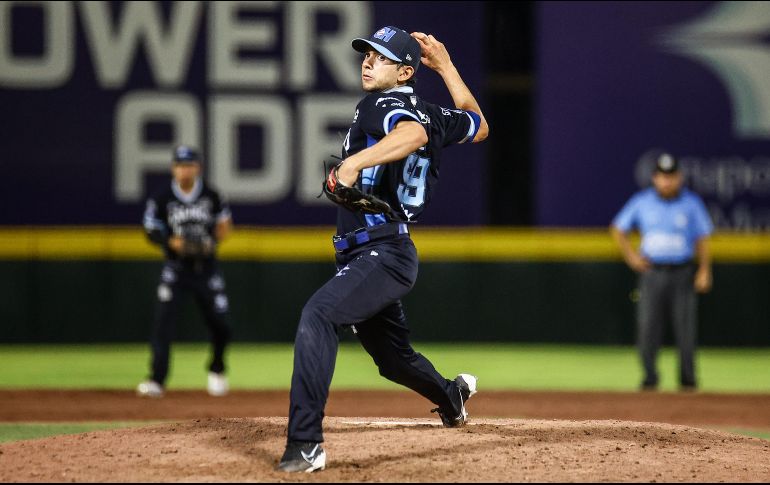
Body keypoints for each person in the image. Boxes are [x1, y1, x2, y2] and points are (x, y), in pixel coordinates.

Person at [276, 26, 489, 473]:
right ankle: (452, 396)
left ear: (406, 71)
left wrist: (352, 162)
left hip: (382, 249)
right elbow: (479, 125)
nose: (368, 62)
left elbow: (410, 135)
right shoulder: (434, 112)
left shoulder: (383, 103)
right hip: (381, 251)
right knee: (393, 360)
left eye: (383, 58)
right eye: (367, 54)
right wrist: (447, 66)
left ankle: (305, 444)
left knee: (318, 315)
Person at [611, 152, 713, 392]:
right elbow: (617, 228)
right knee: (647, 327)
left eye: (671, 176)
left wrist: (705, 270)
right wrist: (632, 257)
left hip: (682, 272)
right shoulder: (642, 201)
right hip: (652, 273)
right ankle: (649, 378)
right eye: (662, 176)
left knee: (685, 329)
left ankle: (688, 381)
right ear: (655, 178)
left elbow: (703, 239)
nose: (667, 181)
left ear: (679, 178)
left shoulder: (691, 203)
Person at [137, 145, 234, 398]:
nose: (184, 169)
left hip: (206, 267)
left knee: (221, 324)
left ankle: (217, 368)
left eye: (189, 164)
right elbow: (150, 229)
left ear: (197, 167)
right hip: (176, 268)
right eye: (180, 165)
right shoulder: (162, 197)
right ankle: (157, 380)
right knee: (163, 324)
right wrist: (170, 241)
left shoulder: (211, 195)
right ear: (173, 168)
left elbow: (224, 225)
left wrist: (212, 241)